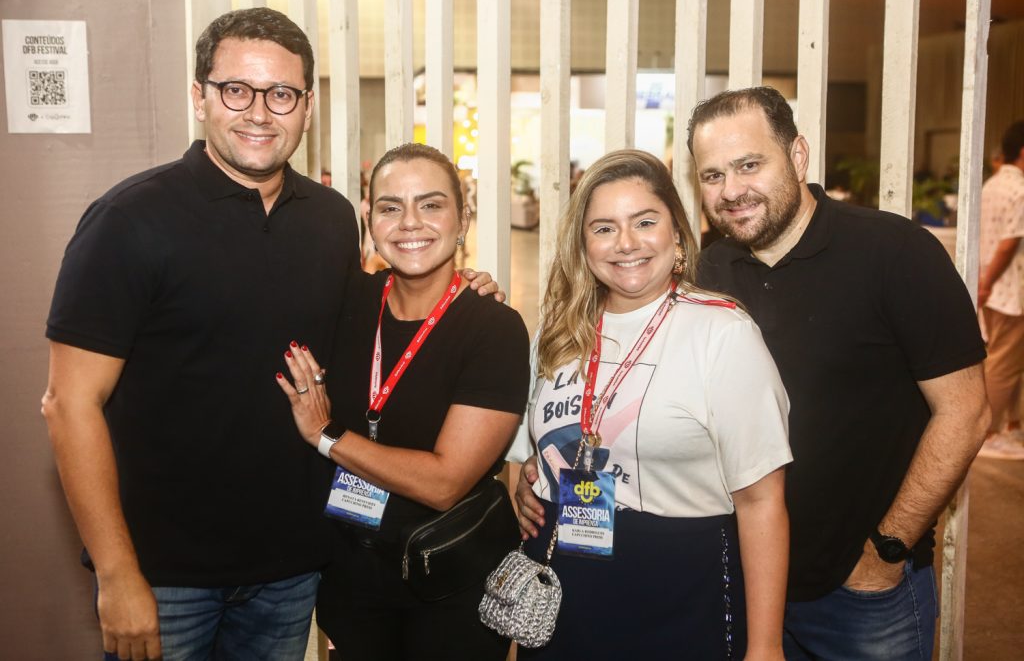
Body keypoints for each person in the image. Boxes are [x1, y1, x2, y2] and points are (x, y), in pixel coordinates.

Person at [41, 8, 498, 661]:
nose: (260, 111)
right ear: (199, 97)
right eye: (237, 90)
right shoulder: (130, 221)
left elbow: (384, 306)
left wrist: (465, 287)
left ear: (306, 108)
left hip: (290, 569)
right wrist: (117, 574)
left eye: (281, 93)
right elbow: (68, 403)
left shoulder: (332, 221)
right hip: (166, 573)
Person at [689, 87, 987, 659]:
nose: (731, 191)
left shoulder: (895, 252)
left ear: (798, 157)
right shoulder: (713, 267)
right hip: (747, 583)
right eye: (712, 175)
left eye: (750, 165)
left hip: (863, 595)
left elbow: (967, 412)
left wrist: (886, 551)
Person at [512, 149, 792, 659]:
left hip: (680, 590)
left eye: (644, 221)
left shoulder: (723, 333)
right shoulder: (559, 331)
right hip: (567, 589)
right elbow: (537, 444)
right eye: (603, 228)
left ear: (678, 234)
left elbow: (762, 502)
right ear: (582, 244)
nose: (626, 244)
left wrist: (766, 647)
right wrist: (535, 480)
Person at [276, 143, 530, 661]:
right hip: (351, 577)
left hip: (448, 585)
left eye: (432, 205)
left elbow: (444, 483)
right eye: (391, 207)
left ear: (463, 219)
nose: (410, 222)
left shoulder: (492, 328)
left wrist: (327, 436)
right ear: (370, 220)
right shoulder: (347, 302)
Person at [976, 121, 1024, 460]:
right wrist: (989, 282)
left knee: (1007, 362)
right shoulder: (1020, 189)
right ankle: (988, 433)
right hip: (1010, 292)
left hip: (995, 292)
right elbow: (1009, 245)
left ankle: (1010, 426)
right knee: (1003, 366)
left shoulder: (991, 185)